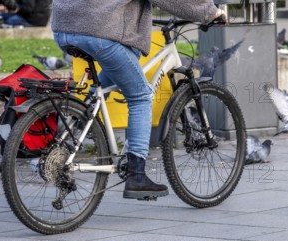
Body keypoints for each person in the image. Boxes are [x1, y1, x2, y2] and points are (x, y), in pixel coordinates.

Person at [51, 1, 224, 200]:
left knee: (103, 86)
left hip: (64, 28)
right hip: (98, 30)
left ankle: (66, 139)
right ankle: (137, 176)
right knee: (140, 96)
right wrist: (210, 12)